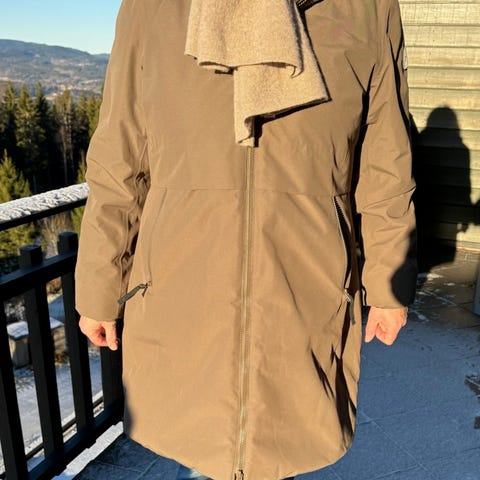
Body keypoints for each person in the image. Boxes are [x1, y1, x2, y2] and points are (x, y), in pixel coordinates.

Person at [75, 1, 417, 480]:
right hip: (183, 290)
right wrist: (98, 287)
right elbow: (119, 158)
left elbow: (387, 161)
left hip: (306, 288)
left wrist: (388, 284)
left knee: (280, 448)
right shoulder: (153, 7)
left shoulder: (367, 7)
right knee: (197, 452)